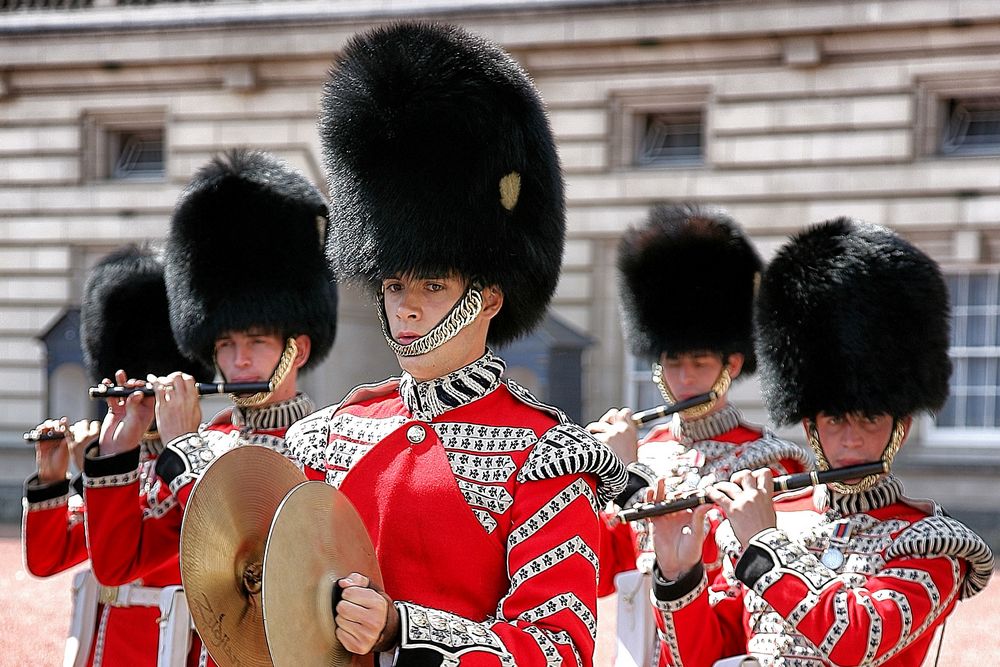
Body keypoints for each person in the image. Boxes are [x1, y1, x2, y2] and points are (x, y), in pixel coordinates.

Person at [284, 22, 627, 666]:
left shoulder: (547, 458)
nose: (408, 306)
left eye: (434, 285)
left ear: (489, 298)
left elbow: (559, 646)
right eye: (393, 283)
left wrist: (401, 630)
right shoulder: (329, 436)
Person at [648, 218, 994, 666]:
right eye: (834, 420)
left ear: (900, 428)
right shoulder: (768, 522)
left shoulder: (930, 543)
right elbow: (704, 655)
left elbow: (858, 640)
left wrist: (767, 544)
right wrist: (679, 575)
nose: (850, 440)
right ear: (811, 426)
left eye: (869, 419)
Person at [82, 149, 338, 666]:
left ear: (299, 349)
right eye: (223, 345)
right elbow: (117, 565)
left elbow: (261, 567)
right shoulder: (210, 436)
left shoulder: (328, 442)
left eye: (256, 342)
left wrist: (187, 449)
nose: (238, 361)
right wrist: (120, 449)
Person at [586, 204, 811, 598]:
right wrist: (593, 481)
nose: (685, 378)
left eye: (700, 363)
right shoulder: (643, 450)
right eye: (673, 362)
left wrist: (627, 477)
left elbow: (734, 565)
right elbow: (602, 572)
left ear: (732, 362)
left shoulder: (770, 461)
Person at [21, 244, 212, 666]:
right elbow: (49, 557)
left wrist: (108, 464)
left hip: (165, 642)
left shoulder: (195, 455)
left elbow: (128, 555)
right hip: (101, 640)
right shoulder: (123, 455)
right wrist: (59, 478)